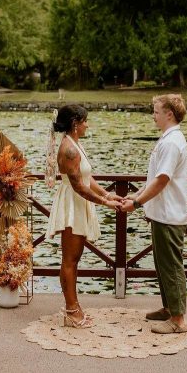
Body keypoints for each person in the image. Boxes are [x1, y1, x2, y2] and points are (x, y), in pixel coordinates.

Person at [45, 105, 123, 328]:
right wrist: (105, 203)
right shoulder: (69, 149)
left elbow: (87, 178)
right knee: (70, 259)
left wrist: (108, 194)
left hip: (78, 202)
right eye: (85, 121)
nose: (88, 125)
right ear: (75, 124)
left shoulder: (75, 144)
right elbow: (78, 186)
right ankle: (71, 311)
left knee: (74, 258)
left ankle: (75, 306)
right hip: (72, 204)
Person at [121, 94, 187, 334]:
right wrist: (137, 194)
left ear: (169, 114)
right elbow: (155, 177)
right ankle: (169, 308)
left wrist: (137, 203)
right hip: (163, 212)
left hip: (169, 213)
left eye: (156, 111)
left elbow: (162, 180)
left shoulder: (172, 142)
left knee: (171, 265)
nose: (153, 115)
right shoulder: (169, 139)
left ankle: (178, 319)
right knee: (163, 264)